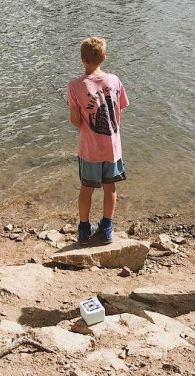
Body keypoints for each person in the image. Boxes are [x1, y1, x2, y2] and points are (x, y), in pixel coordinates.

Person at [67, 37, 129, 244]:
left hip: (90, 149)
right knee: (110, 187)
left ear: (82, 59)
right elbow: (119, 109)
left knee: (87, 188)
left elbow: (76, 122)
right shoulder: (114, 80)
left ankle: (84, 230)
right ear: (104, 57)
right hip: (112, 148)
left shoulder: (75, 86)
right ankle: (107, 229)